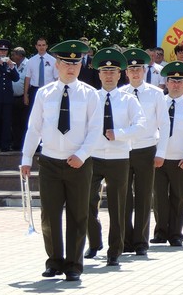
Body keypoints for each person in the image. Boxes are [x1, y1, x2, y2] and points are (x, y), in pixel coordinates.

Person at [20, 39, 103, 282]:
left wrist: (82, 154)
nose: (72, 67)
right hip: (50, 161)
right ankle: (54, 260)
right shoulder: (45, 94)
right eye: (67, 63)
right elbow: (34, 128)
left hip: (78, 162)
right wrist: (26, 158)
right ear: (57, 64)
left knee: (78, 215)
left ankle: (74, 265)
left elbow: (95, 130)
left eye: (76, 63)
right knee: (49, 214)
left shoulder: (90, 94)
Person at [84, 48, 146, 266]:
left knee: (118, 206)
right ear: (99, 74)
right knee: (86, 202)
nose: (109, 75)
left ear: (120, 74)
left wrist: (119, 134)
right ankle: (94, 241)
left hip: (119, 157)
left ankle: (115, 250)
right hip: (93, 156)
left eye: (113, 71)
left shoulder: (128, 100)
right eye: (104, 71)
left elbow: (140, 125)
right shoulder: (90, 98)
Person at [120, 48, 169, 256]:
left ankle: (140, 241)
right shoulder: (120, 93)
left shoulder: (156, 93)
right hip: (123, 149)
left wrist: (161, 152)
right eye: (131, 69)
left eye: (139, 68)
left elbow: (164, 124)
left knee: (143, 196)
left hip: (147, 148)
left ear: (145, 70)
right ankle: (125, 240)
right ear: (126, 73)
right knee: (123, 197)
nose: (135, 73)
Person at [151, 61, 183, 247]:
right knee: (159, 197)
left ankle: (176, 233)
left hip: (180, 160)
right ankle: (160, 232)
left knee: (179, 198)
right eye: (172, 80)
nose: (176, 84)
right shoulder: (157, 104)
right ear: (166, 82)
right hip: (159, 159)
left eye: (180, 81)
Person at [10, 47, 28, 150]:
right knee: (15, 122)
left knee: (24, 121)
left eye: (14, 55)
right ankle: (16, 144)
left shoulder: (28, 64)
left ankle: (24, 144)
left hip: (24, 97)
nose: (12, 57)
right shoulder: (13, 65)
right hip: (13, 97)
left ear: (20, 55)